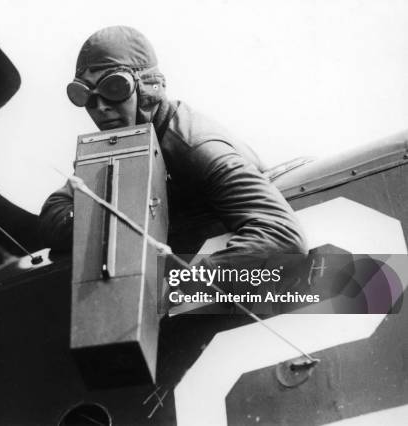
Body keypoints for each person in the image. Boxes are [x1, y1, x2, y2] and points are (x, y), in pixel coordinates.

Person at [39, 26, 307, 267]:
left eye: (115, 88)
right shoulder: (122, 140)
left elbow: (282, 235)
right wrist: (110, 219)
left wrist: (184, 282)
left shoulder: (194, 146)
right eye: (86, 96)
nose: (101, 108)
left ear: (146, 88)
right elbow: (56, 208)